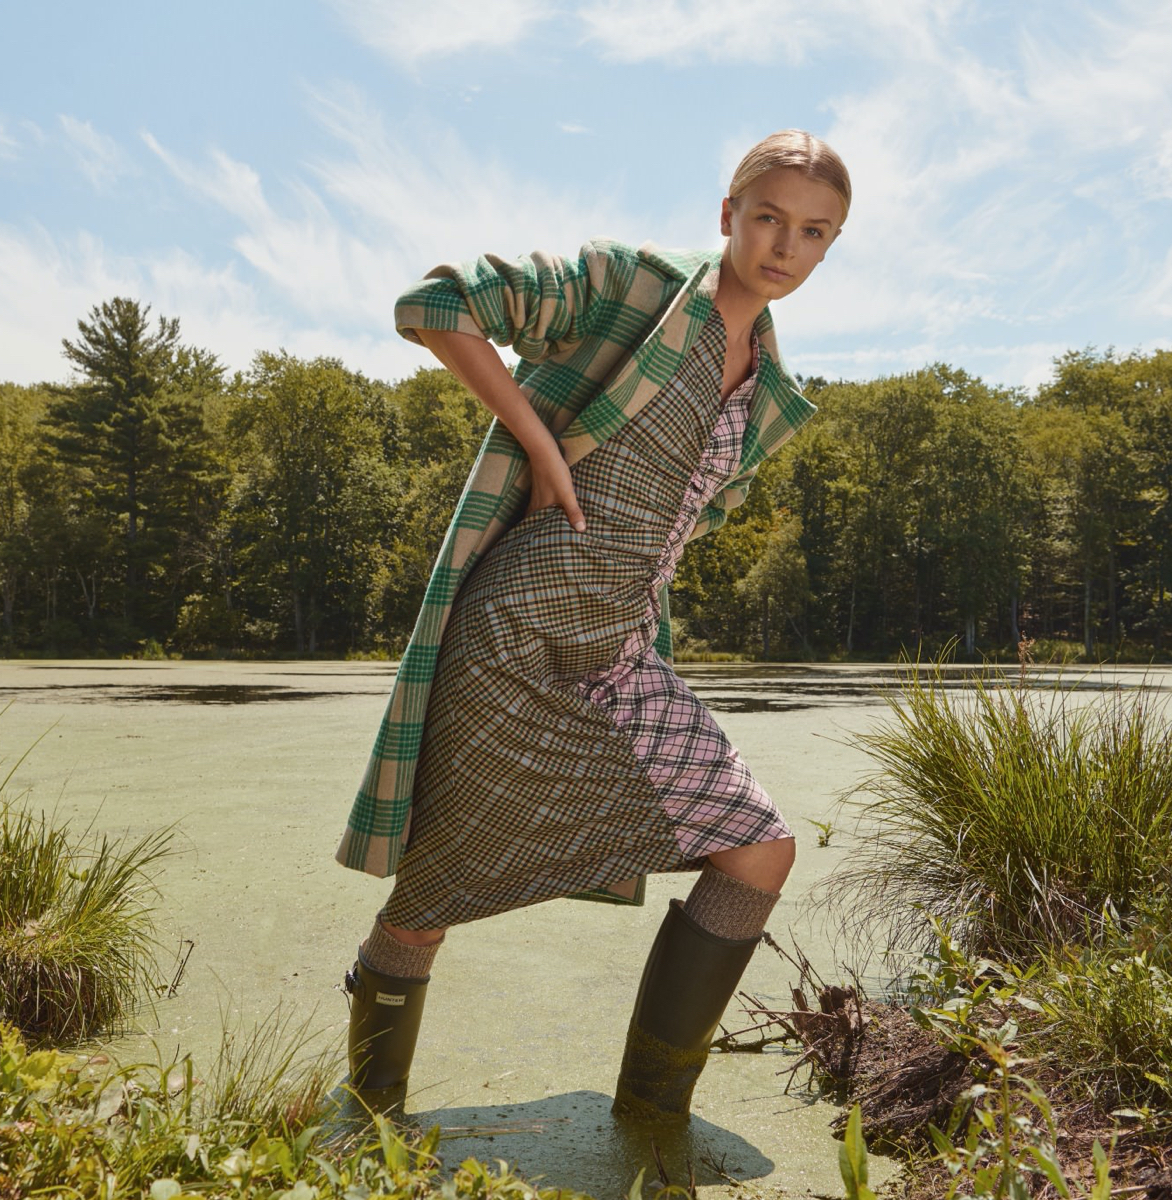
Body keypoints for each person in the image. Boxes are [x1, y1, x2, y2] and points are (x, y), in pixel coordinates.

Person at [337, 129, 851, 1123]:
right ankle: (369, 1112)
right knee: (431, 898)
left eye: (814, 233)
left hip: (615, 652)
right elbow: (435, 304)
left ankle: (649, 1112)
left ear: (830, 248)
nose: (785, 246)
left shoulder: (769, 391)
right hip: (514, 634)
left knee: (758, 848)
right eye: (769, 218)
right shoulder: (635, 288)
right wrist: (539, 443)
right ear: (727, 216)